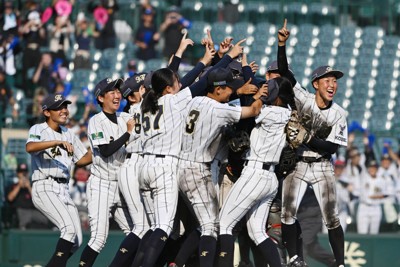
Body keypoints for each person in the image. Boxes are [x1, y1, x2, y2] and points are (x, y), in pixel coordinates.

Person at [277, 19, 347, 267]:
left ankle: (340, 263)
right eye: (327, 80)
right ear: (316, 83)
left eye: (335, 80)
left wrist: (307, 137)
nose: (332, 84)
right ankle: (295, 258)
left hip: (322, 166)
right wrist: (281, 45)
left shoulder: (338, 113)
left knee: (332, 218)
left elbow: (332, 148)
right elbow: (285, 73)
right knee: (287, 214)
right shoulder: (304, 99)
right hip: (298, 163)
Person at [218, 77, 294, 267]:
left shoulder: (269, 112)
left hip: (255, 173)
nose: (266, 91)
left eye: (270, 90)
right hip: (270, 179)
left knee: (224, 225)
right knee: (257, 232)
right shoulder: (288, 112)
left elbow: (251, 110)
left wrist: (257, 96)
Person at [26, 93, 92, 267]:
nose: (64, 110)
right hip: (45, 184)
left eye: (65, 106)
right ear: (47, 112)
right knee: (68, 231)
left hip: (63, 188)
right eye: (59, 107)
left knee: (76, 240)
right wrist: (55, 142)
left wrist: (104, 149)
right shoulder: (38, 129)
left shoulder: (69, 133)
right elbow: (30, 147)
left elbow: (82, 159)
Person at [78, 77, 135, 267]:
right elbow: (105, 150)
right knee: (99, 239)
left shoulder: (125, 118)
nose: (117, 95)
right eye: (112, 92)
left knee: (136, 233)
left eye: (118, 91)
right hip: (101, 184)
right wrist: (127, 134)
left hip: (121, 184)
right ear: (101, 98)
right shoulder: (96, 121)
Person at [108, 73, 149, 267]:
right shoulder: (129, 113)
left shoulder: (147, 108)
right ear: (131, 97)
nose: (147, 89)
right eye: (142, 88)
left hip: (143, 167)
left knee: (148, 228)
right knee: (141, 227)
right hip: (132, 166)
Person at [297, 186, 336, 267]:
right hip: (298, 216)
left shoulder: (312, 177)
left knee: (301, 242)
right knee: (313, 248)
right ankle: (335, 262)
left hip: (311, 216)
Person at [6, 162, 49, 230]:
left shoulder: (33, 186)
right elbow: (9, 198)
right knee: (22, 216)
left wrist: (29, 187)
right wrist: (19, 186)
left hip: (33, 211)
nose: (24, 174)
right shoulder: (13, 186)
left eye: (25, 172)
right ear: (17, 174)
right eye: (21, 172)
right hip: (20, 212)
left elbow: (39, 201)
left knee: (46, 218)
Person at [354, 160, 388, 234]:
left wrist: (373, 197)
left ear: (377, 169)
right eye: (371, 167)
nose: (373, 169)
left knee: (374, 233)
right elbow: (359, 166)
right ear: (368, 168)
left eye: (375, 168)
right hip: (364, 207)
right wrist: (375, 196)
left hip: (376, 207)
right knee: (362, 233)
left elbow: (386, 194)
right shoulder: (363, 177)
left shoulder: (382, 180)